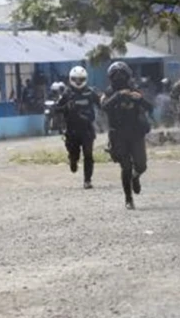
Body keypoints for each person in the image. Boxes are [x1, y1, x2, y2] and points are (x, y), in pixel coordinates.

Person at [101, 61, 153, 210]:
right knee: (126, 167)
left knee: (141, 165)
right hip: (118, 135)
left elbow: (150, 107)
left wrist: (140, 99)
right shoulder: (109, 92)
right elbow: (104, 107)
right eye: (115, 75)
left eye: (122, 74)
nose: (119, 78)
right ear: (110, 77)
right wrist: (118, 95)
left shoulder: (135, 90)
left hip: (136, 133)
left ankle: (136, 176)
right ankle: (128, 199)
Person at [55, 66, 100, 189]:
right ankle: (73, 160)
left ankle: (87, 180)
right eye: (76, 79)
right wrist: (66, 108)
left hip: (87, 129)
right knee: (74, 154)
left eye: (81, 79)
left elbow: (102, 104)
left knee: (88, 154)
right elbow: (56, 109)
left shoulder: (91, 92)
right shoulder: (66, 93)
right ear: (71, 79)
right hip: (72, 130)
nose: (78, 82)